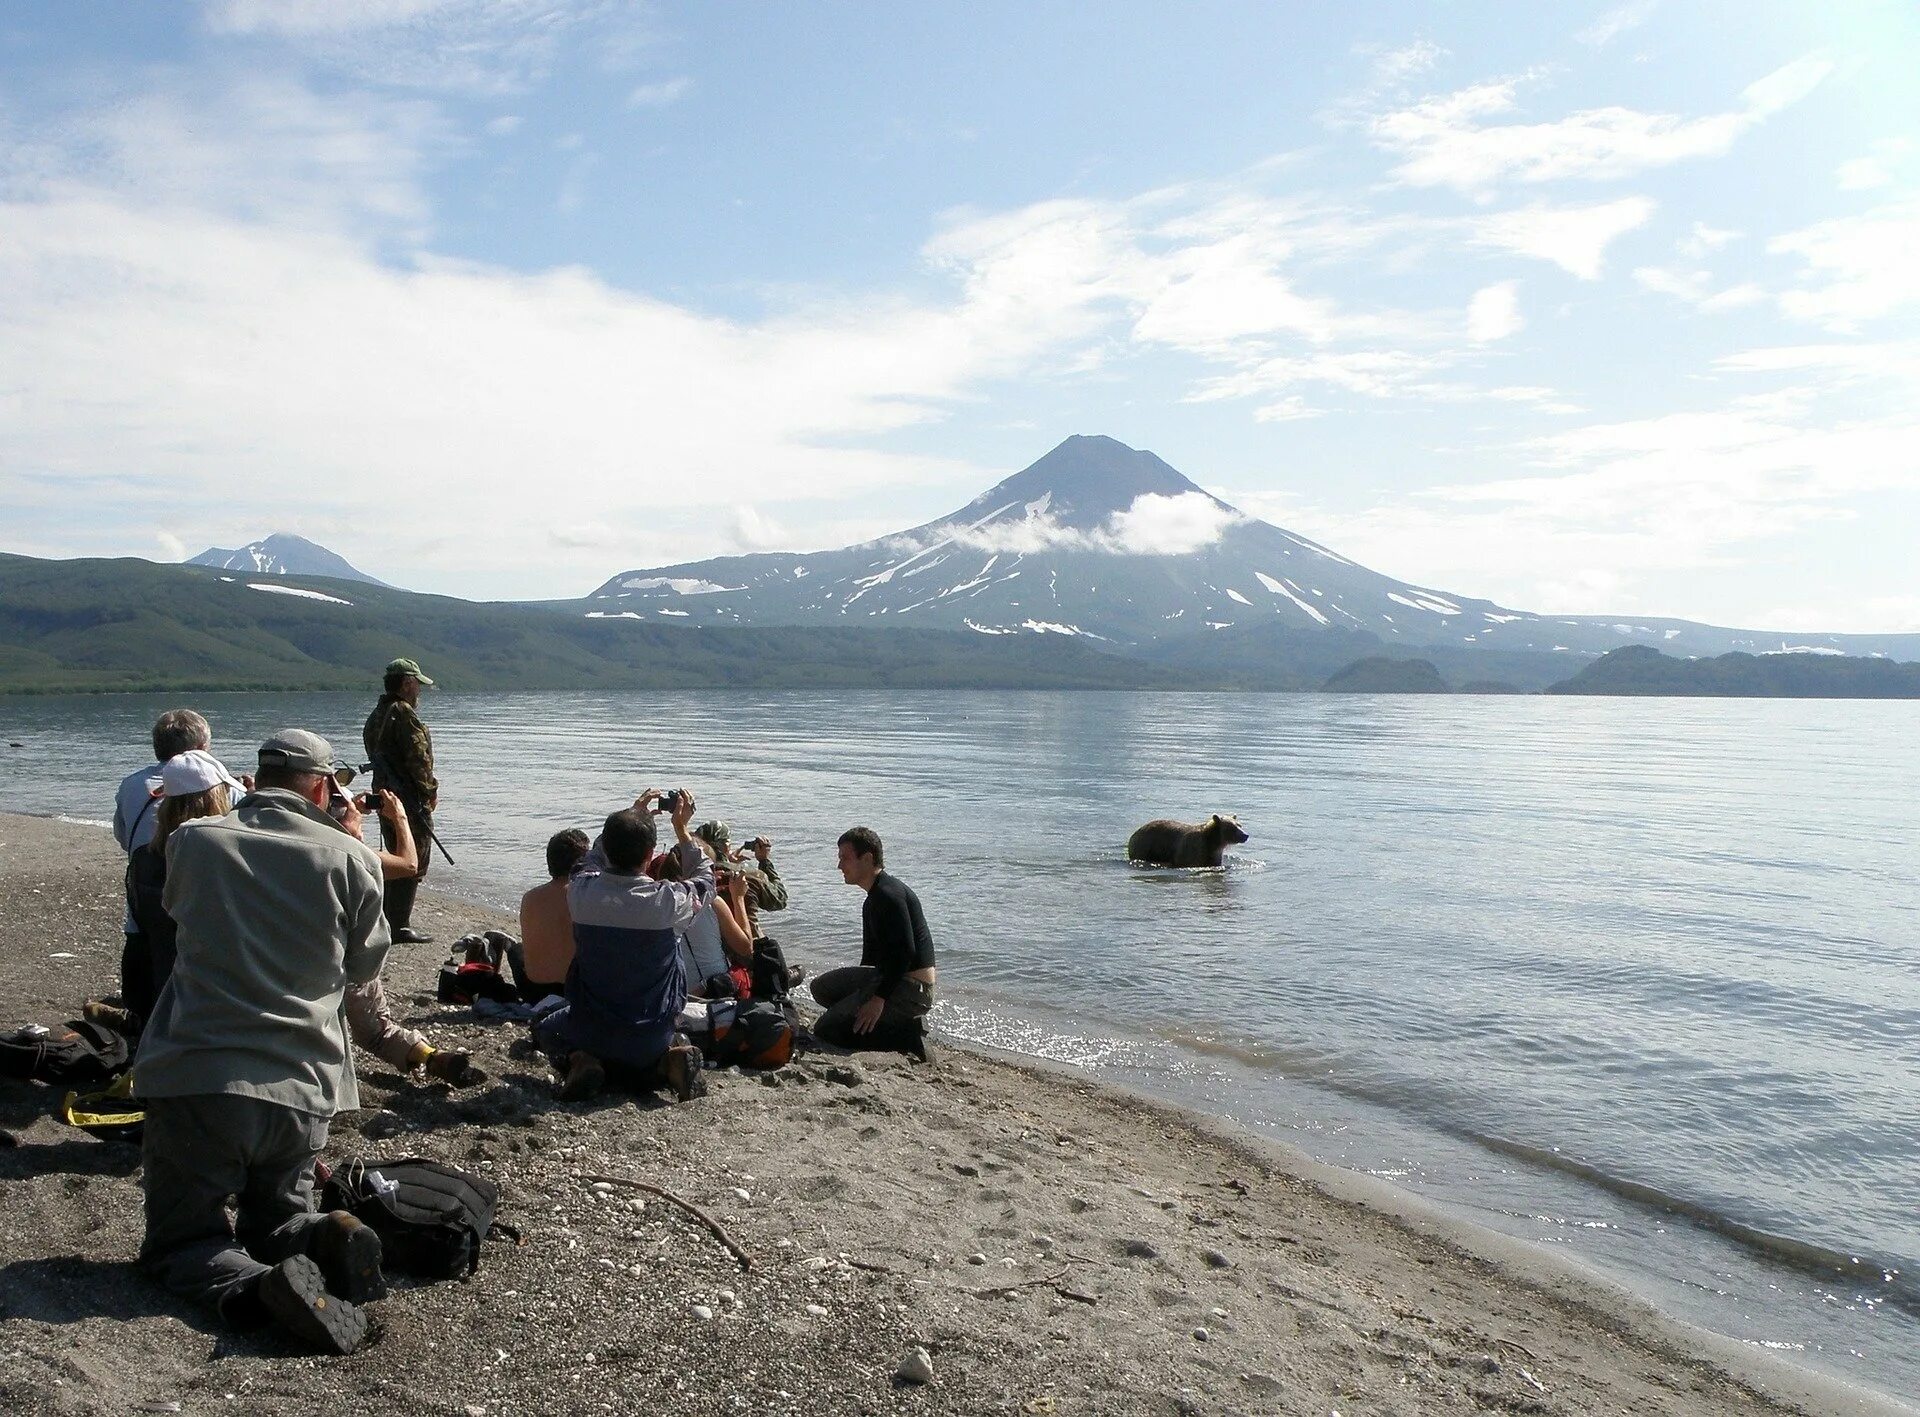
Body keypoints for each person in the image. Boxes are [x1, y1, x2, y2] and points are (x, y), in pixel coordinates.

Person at [134, 730, 393, 1355]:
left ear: (255, 778)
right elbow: (364, 968)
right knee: (277, 1215)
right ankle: (320, 1238)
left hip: (198, 1074)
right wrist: (346, 841)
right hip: (303, 1085)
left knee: (183, 1243)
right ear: (325, 785)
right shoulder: (350, 858)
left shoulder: (191, 841)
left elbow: (173, 915)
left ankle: (256, 1288)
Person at [532, 789, 711, 1102]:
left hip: (591, 1027)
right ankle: (666, 1062)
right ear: (649, 855)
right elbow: (706, 878)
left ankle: (582, 1061)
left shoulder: (580, 892)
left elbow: (588, 861)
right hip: (653, 1031)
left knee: (544, 1027)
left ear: (608, 850)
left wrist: (631, 813)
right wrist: (682, 830)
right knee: (645, 1045)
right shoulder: (668, 902)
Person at [325, 775, 480, 1087]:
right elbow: (410, 864)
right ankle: (429, 1056)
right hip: (347, 967)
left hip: (305, 965)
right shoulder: (355, 857)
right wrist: (400, 817)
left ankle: (431, 1058)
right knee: (377, 1031)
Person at [109, 710, 246, 1023]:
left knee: (150, 1006)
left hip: (143, 920)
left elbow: (123, 838)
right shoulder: (229, 792)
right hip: (204, 934)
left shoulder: (131, 786)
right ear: (200, 749)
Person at [810, 826, 936, 1062]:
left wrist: (877, 1000)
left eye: (844, 858)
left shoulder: (889, 895)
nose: (839, 866)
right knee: (821, 988)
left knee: (826, 1030)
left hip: (912, 990)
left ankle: (907, 1034)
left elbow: (905, 953)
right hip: (891, 979)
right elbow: (870, 959)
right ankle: (884, 1022)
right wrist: (860, 998)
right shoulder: (872, 900)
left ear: (867, 859)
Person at [363, 657, 438, 944]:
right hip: (407, 796)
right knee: (413, 855)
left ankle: (386, 916)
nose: (418, 690)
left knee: (395, 850)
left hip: (383, 794)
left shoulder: (377, 714)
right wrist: (429, 790)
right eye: (417, 684)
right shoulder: (404, 714)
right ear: (407, 683)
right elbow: (419, 759)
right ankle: (400, 924)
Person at [509, 829, 590, 1003]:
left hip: (534, 991)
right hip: (575, 990)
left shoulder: (530, 897)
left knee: (516, 950)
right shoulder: (584, 896)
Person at [693, 821, 788, 938]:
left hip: (704, 943)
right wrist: (764, 861)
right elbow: (779, 900)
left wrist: (727, 863)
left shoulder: (689, 877)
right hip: (747, 942)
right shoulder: (749, 875)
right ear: (727, 847)